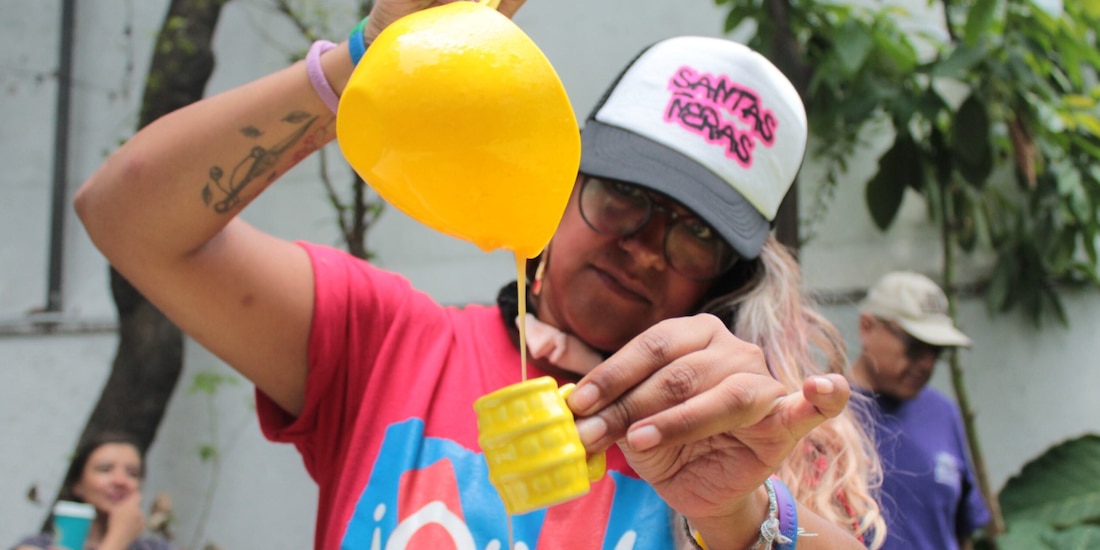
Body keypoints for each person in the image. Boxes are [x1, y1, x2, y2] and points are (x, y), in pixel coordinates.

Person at [74, 1, 885, 548]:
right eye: (625, 198)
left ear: (726, 280)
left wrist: (739, 515)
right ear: (560, 186)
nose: (645, 248)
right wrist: (362, 64)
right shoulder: (391, 344)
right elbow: (125, 215)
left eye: (694, 235)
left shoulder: (755, 438)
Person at [849, 271, 991, 549]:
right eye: (915, 346)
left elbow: (963, 530)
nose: (927, 364)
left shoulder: (943, 414)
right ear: (867, 327)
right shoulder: (823, 412)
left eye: (937, 351)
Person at [11, 432, 173, 550]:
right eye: (105, 469)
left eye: (132, 473)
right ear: (77, 484)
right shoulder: (37, 546)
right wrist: (117, 540)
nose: (120, 481)